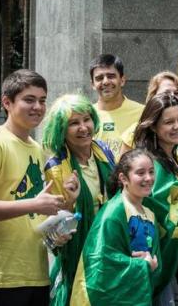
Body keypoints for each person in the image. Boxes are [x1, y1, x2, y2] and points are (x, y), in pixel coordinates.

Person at [0, 69, 66, 306]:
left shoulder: (36, 148)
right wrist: (33, 204)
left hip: (35, 271)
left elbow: (31, 209)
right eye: (29, 100)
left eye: (42, 100)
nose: (38, 107)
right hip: (1, 274)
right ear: (7, 103)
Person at [42, 94, 116, 306]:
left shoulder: (103, 150)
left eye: (86, 119)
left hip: (110, 245)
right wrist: (70, 204)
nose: (83, 127)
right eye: (74, 123)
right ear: (61, 130)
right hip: (79, 253)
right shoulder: (56, 167)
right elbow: (54, 233)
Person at [133, 93, 178, 304]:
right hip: (154, 264)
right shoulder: (150, 166)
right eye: (168, 122)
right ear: (153, 127)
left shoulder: (168, 159)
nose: (177, 126)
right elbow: (151, 219)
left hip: (168, 261)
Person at [70, 148, 161, 306]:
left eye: (151, 172)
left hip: (137, 294)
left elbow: (154, 257)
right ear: (124, 178)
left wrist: (152, 264)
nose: (148, 178)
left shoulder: (150, 213)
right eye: (140, 173)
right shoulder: (113, 212)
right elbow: (102, 263)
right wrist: (142, 265)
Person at [90, 54, 144, 157]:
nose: (105, 82)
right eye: (99, 78)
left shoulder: (142, 113)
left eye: (111, 76)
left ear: (122, 80)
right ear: (92, 84)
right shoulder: (86, 116)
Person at [120, 70, 178, 153]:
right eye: (166, 93)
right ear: (153, 97)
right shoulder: (133, 133)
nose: (172, 97)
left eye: (177, 93)